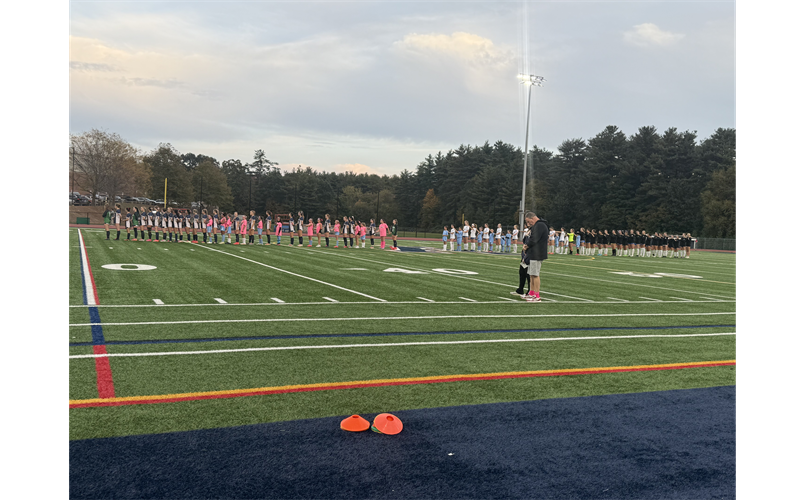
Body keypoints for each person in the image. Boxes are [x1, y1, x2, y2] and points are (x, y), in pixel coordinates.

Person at [523, 211, 548, 302]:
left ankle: (537, 296)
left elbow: (534, 239)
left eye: (529, 221)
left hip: (537, 253)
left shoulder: (539, 225)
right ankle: (532, 292)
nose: (529, 224)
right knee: (531, 274)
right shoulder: (536, 226)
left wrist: (527, 245)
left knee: (535, 274)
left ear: (533, 218)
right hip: (533, 253)